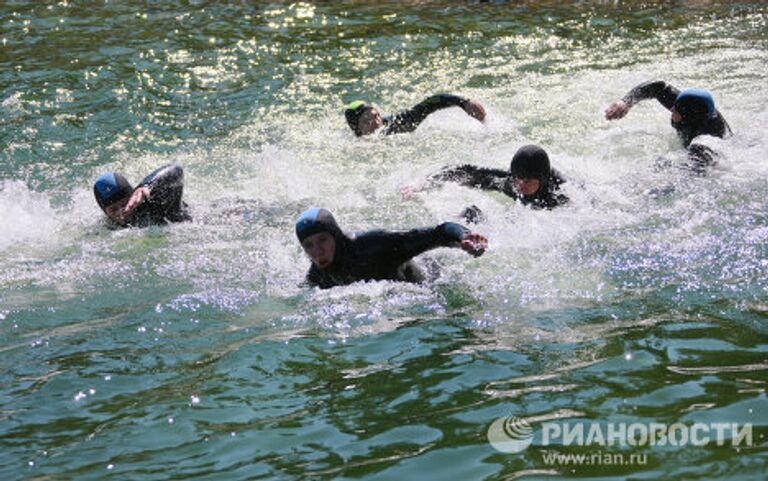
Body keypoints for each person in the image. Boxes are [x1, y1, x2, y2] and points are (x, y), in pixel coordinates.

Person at [295, 207, 488, 289]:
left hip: (432, 276)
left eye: (322, 240)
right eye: (309, 245)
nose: (317, 251)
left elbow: (440, 232)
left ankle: (469, 215)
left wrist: (464, 237)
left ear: (335, 236)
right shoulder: (318, 273)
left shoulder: (374, 245)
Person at [604, 81, 732, 171]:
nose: (671, 112)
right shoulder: (692, 106)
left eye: (675, 111)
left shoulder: (705, 143)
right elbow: (658, 88)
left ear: (688, 118)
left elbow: (693, 177)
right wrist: (625, 102)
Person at [403, 144, 568, 211]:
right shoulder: (510, 183)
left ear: (543, 179)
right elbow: (467, 172)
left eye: (527, 181)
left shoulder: (562, 193)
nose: (520, 185)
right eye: (518, 178)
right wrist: (422, 184)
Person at [93, 164, 191, 228]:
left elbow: (176, 170)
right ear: (105, 212)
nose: (122, 211)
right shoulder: (108, 226)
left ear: (133, 197)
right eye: (113, 210)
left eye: (125, 203)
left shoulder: (153, 202)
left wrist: (146, 186)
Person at [344, 94, 486, 136]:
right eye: (366, 121)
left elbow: (430, 103)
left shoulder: (397, 124)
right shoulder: (352, 145)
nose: (376, 123)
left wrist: (463, 102)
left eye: (376, 116)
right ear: (357, 129)